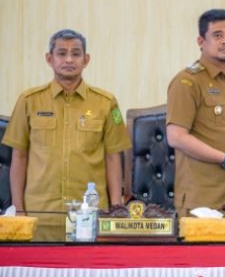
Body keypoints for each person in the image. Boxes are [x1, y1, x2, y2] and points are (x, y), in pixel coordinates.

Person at [3, 29, 130, 240]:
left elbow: (113, 157)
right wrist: (19, 209)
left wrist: (116, 211)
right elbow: (19, 156)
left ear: (86, 60)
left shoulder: (106, 103)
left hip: (90, 214)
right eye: (62, 53)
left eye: (76, 54)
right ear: (49, 59)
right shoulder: (29, 101)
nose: (69, 60)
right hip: (40, 215)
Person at [166, 9, 225, 240]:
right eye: (217, 35)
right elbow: (176, 137)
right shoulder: (187, 82)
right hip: (205, 202)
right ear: (201, 41)